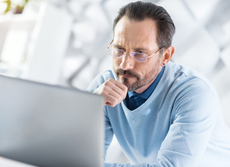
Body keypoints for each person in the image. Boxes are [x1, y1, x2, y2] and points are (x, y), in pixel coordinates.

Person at [86, 1, 230, 167]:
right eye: (119, 50)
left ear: (166, 56)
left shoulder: (194, 94)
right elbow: (77, 156)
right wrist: (88, 107)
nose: (125, 65)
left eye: (140, 54)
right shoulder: (103, 88)